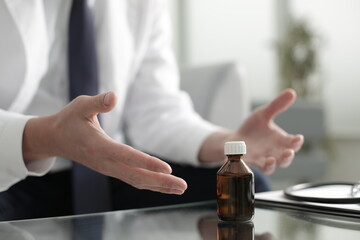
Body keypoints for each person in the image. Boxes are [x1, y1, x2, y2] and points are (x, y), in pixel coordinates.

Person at [0, 0, 304, 220]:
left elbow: (157, 109)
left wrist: (229, 141)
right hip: (12, 170)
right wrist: (46, 137)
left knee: (240, 183)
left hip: (109, 172)